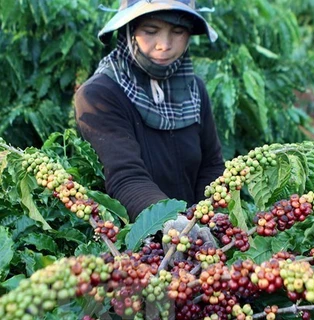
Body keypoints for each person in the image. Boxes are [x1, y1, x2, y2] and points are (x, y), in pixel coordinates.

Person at [74, 0, 225, 223]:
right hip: (133, 242)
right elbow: (126, 177)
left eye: (178, 31)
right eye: (150, 31)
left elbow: (211, 166)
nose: (164, 44)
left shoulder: (194, 88)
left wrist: (211, 220)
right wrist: (174, 225)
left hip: (196, 235)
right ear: (129, 30)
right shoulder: (99, 95)